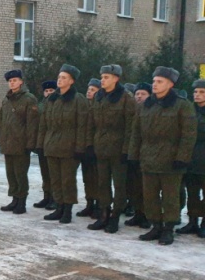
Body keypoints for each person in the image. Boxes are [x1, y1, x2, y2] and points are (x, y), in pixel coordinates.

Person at [129, 67, 196, 245]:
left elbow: (188, 135)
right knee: (149, 196)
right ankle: (156, 226)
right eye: (154, 81)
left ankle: (168, 228)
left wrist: (182, 158)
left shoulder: (182, 105)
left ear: (170, 84)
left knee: (170, 197)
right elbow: (136, 133)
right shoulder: (146, 105)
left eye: (160, 82)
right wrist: (133, 155)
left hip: (171, 160)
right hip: (148, 158)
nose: (155, 85)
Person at [86, 65, 135, 233]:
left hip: (118, 149)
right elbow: (91, 123)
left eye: (106, 77)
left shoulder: (126, 98)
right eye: (102, 77)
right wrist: (90, 145)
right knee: (102, 183)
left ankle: (115, 216)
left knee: (119, 185)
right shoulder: (98, 97)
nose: (102, 80)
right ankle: (104, 214)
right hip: (101, 147)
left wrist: (126, 150)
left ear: (116, 79)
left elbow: (130, 127)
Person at [36, 64, 88, 224]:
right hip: (51, 146)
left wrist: (80, 148)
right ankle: (58, 207)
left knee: (67, 181)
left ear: (71, 81)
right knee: (55, 180)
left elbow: (82, 126)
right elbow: (43, 124)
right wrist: (40, 144)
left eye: (64, 78)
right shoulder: (52, 99)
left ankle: (67, 210)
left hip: (69, 148)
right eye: (59, 77)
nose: (60, 80)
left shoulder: (78, 100)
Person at [0, 70, 39, 214]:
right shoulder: (6, 99)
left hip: (21, 144)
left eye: (15, 80)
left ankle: (22, 202)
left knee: (20, 174)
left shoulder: (29, 99)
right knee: (11, 174)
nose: (12, 83)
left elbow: (32, 124)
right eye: (10, 81)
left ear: (21, 81)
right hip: (8, 143)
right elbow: (2, 122)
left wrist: (30, 144)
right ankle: (14, 199)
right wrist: (1, 140)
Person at [178, 79, 205, 238]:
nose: (197, 95)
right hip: (191, 159)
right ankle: (192, 221)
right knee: (192, 193)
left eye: (202, 92)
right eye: (195, 92)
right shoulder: (189, 111)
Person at [124, 83, 153, 230]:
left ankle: (148, 215)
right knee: (133, 186)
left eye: (143, 94)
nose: (139, 96)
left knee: (147, 188)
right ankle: (138, 212)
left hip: (148, 154)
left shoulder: (152, 110)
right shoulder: (130, 109)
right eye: (137, 94)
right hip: (131, 153)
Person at [76, 78, 101, 219]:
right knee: (88, 178)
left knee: (98, 179)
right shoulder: (84, 106)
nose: (89, 92)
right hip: (85, 148)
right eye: (88, 89)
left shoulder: (100, 106)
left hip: (98, 148)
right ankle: (89, 203)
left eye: (93, 90)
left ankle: (99, 205)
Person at [33, 80, 58, 210]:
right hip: (42, 143)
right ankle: (46, 196)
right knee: (45, 173)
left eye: (51, 90)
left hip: (54, 143)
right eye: (46, 91)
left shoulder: (58, 104)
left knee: (54, 173)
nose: (48, 93)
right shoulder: (40, 105)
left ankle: (55, 198)